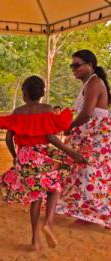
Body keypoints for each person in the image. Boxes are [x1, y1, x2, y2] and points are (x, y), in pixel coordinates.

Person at [0, 76, 85, 250]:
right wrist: (71, 152)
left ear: (24, 93)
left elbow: (8, 138)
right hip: (42, 154)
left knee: (35, 198)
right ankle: (48, 224)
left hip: (25, 156)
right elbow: (51, 137)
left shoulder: (18, 112)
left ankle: (35, 240)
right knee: (54, 188)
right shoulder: (46, 109)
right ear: (42, 93)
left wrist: (15, 156)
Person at [56, 50, 111, 229]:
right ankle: (86, 212)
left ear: (90, 65)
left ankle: (96, 214)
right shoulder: (88, 83)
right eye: (72, 65)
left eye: (77, 65)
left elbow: (87, 114)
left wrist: (69, 127)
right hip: (89, 137)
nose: (74, 69)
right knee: (82, 174)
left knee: (91, 174)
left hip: (96, 139)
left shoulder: (94, 82)